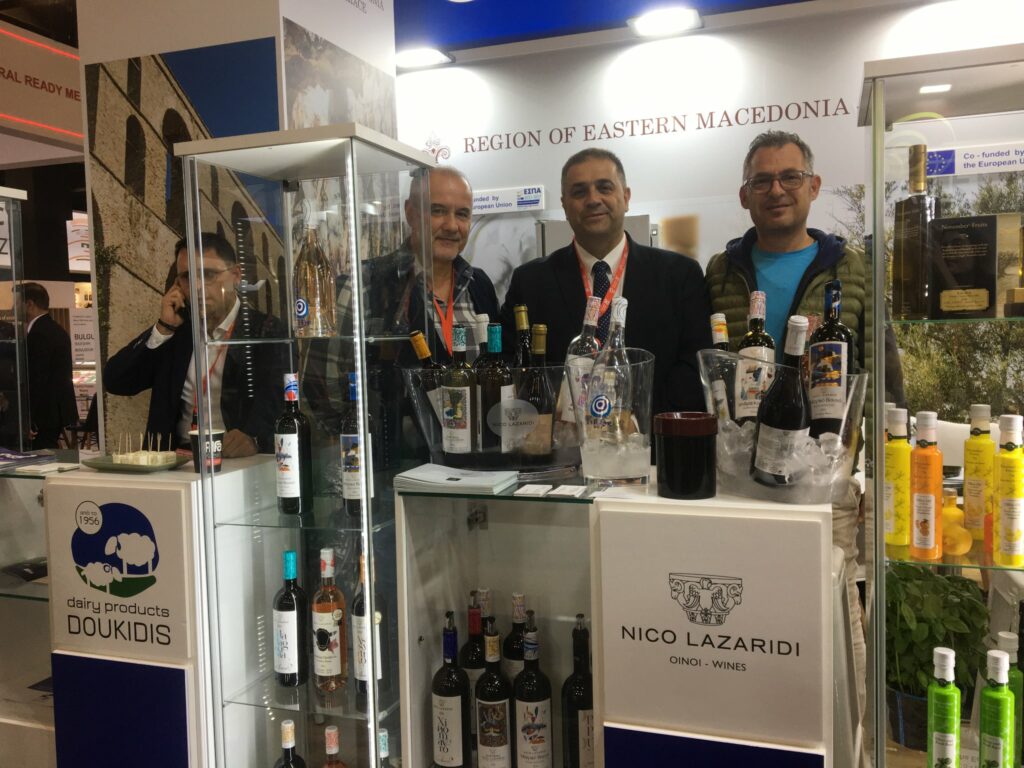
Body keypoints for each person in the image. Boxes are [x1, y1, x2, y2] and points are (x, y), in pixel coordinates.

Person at [705, 129, 906, 718]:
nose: (777, 190)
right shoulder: (721, 270)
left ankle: (845, 737)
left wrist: (883, 476)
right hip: (739, 484)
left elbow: (882, 373)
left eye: (790, 177)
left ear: (814, 186)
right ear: (744, 195)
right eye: (762, 180)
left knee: (835, 623)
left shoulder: (852, 268)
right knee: (748, 624)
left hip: (825, 486)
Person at [500, 148, 711, 416]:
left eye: (604, 187)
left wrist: (636, 420)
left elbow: (695, 364)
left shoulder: (680, 275)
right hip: (561, 436)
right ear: (565, 205)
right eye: (579, 192)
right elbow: (513, 367)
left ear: (626, 197)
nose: (593, 200)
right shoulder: (530, 282)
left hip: (652, 435)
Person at [104, 232, 286, 456]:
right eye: (187, 277)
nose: (198, 286)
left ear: (236, 275)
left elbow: (277, 399)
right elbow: (116, 381)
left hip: (234, 459)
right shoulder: (177, 331)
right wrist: (163, 328)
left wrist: (254, 437)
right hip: (177, 460)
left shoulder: (265, 331)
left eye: (208, 274)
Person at [348, 166, 500, 362]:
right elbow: (328, 378)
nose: (452, 226)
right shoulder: (364, 285)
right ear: (410, 213)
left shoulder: (480, 285)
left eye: (462, 214)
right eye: (438, 211)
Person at [16, 283, 78, 448]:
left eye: (16, 303)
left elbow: (37, 379)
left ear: (29, 304)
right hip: (53, 412)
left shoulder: (39, 334)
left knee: (38, 457)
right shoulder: (55, 329)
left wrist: (29, 419)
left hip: (43, 415)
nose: (13, 308)